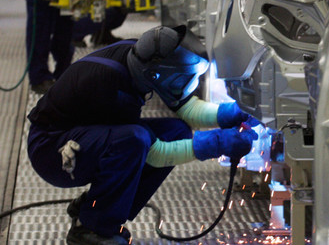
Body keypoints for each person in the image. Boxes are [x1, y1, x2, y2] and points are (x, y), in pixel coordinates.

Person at [26, 25, 258, 245]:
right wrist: (216, 144)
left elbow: (187, 108)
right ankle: (92, 227)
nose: (192, 84)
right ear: (157, 75)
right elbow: (155, 154)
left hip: (81, 135)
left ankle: (93, 207)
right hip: (52, 150)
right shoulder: (112, 86)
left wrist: (231, 113)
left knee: (176, 132)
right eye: (188, 79)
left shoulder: (144, 58)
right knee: (133, 141)